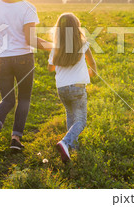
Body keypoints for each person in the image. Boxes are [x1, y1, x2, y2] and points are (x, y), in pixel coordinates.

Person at [0, 0, 50, 151]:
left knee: (7, 99)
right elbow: (31, 40)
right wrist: (55, 46)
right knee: (24, 99)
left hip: (1, 59)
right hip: (23, 59)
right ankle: (15, 140)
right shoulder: (28, 8)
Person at [47, 13, 97, 162]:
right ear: (76, 27)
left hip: (62, 88)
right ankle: (65, 142)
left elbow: (50, 68)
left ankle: (72, 148)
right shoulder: (83, 43)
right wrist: (91, 73)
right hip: (77, 87)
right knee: (81, 120)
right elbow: (93, 64)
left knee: (71, 115)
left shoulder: (56, 46)